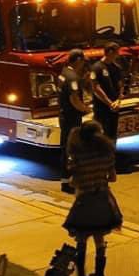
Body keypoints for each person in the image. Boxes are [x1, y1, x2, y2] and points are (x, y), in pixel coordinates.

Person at [63, 120, 123, 276]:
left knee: (81, 239)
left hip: (84, 201)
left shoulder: (78, 157)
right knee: (99, 239)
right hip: (103, 200)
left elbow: (74, 181)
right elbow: (112, 178)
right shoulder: (107, 155)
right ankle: (100, 275)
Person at [58, 49, 90, 194]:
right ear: (77, 60)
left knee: (65, 147)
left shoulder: (64, 72)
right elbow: (74, 98)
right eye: (83, 61)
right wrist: (85, 109)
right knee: (72, 149)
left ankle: (65, 181)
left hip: (64, 115)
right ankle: (69, 182)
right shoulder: (72, 77)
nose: (83, 64)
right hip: (72, 117)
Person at [90, 43, 123, 140]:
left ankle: (112, 152)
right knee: (101, 133)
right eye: (117, 53)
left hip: (114, 107)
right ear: (110, 52)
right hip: (101, 108)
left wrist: (118, 101)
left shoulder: (116, 67)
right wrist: (109, 103)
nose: (118, 55)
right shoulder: (96, 68)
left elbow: (120, 85)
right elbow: (96, 88)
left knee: (112, 133)